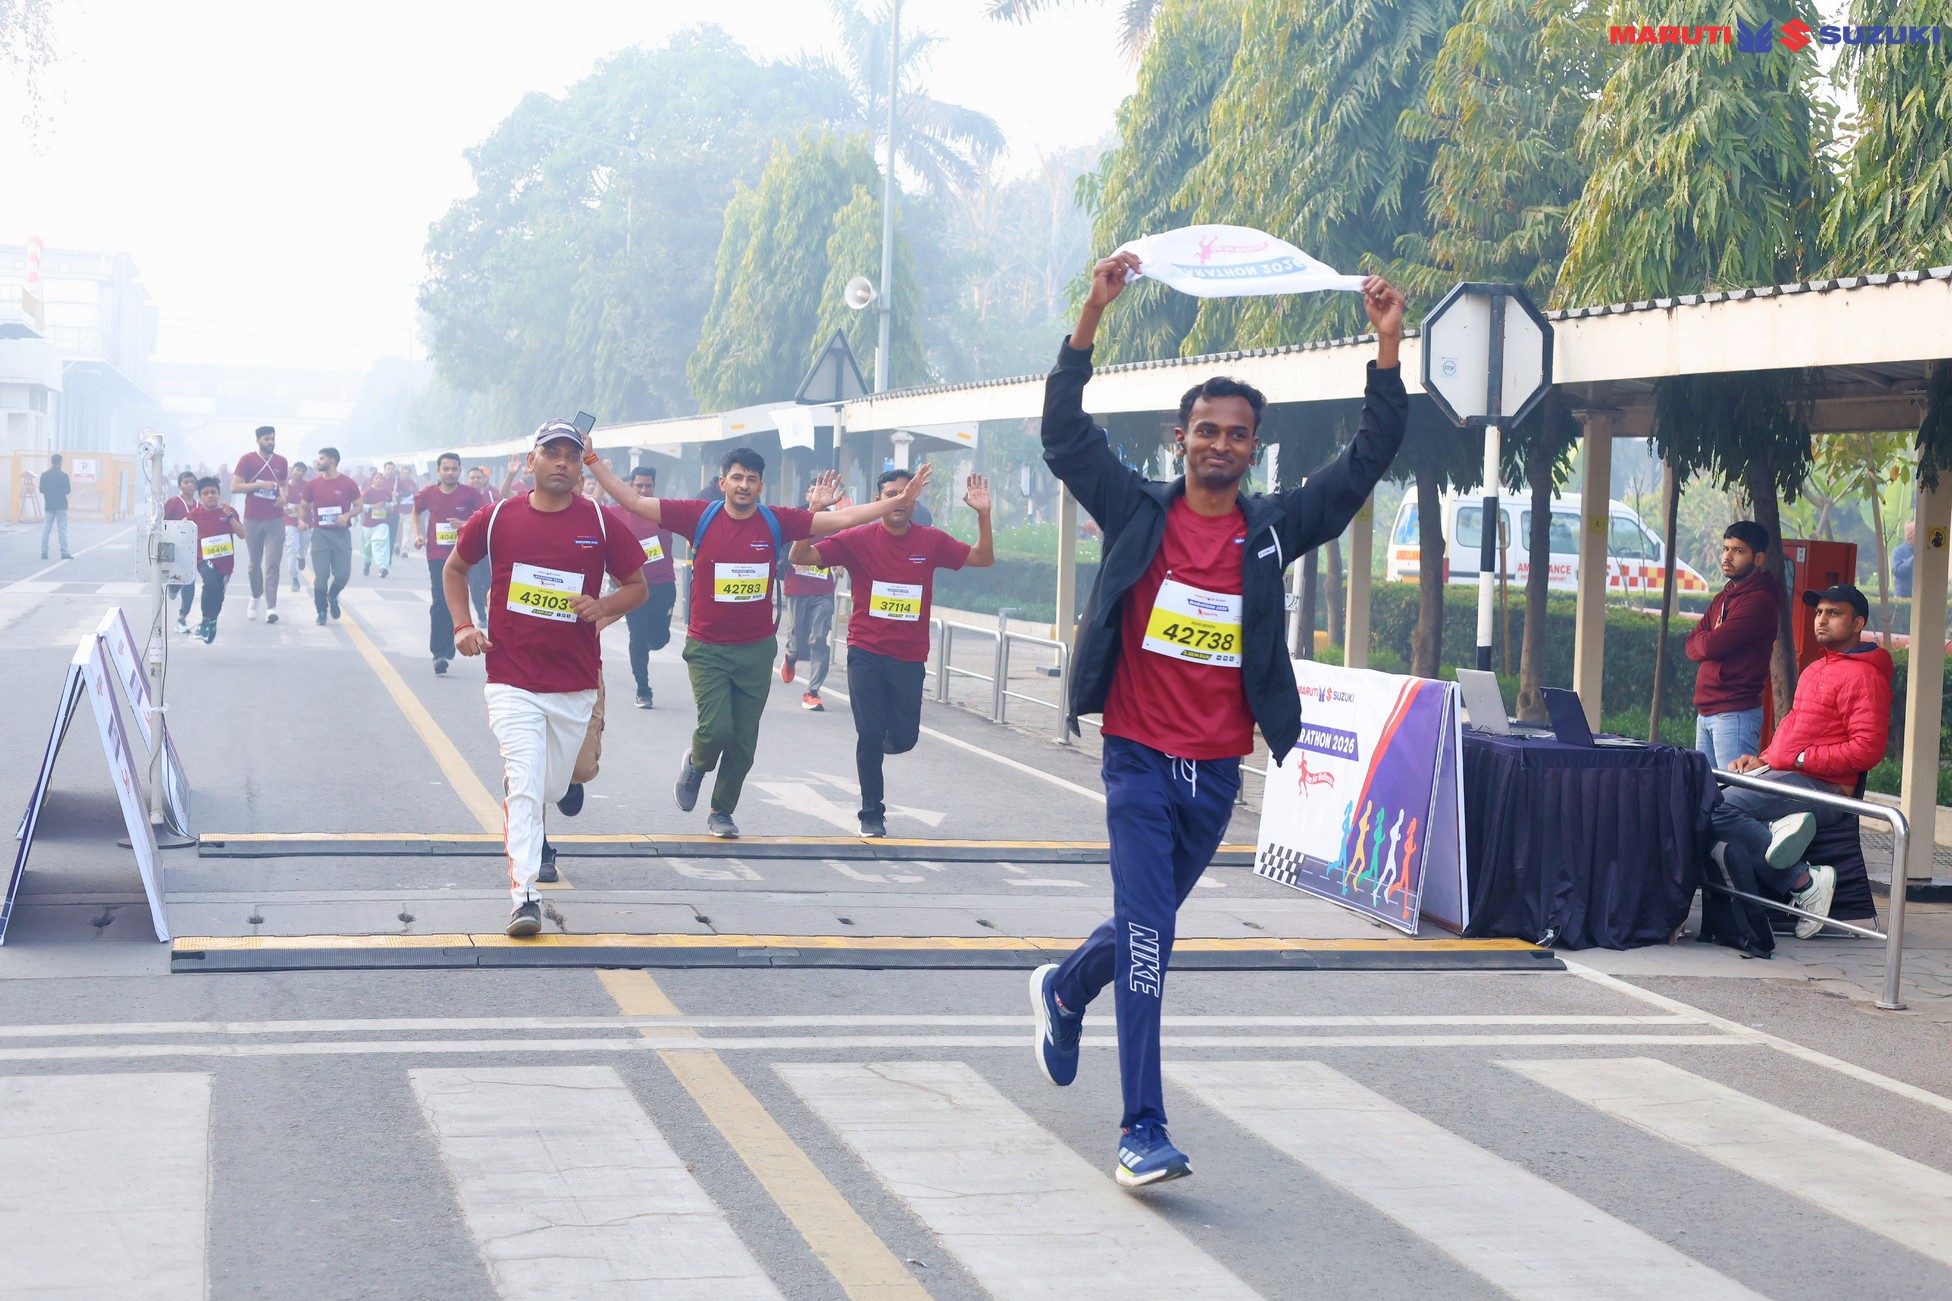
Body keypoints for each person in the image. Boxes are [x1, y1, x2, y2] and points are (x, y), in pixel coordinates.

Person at [1029, 251, 1409, 1190]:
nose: (1221, 444)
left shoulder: (1271, 529)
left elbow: (1364, 465)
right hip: (1136, 758)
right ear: (1180, 439)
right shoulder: (1135, 509)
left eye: (1238, 435)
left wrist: (1388, 347)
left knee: (1145, 926)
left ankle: (1065, 988)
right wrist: (1091, 317)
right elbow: (1063, 435)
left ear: (1254, 449)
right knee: (1151, 940)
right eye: (1207, 430)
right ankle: (1141, 1128)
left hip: (1214, 773)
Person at [586, 446, 933, 838]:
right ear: (723, 482)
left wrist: (899, 501)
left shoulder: (775, 521)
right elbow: (632, 500)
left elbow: (844, 517)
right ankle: (697, 764)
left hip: (756, 649)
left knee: (743, 741)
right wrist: (593, 462)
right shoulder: (698, 516)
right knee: (716, 729)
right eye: (737, 477)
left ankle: (721, 811)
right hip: (708, 647)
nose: (744, 485)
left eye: (751, 479)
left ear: (760, 486)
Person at [444, 420, 648, 937]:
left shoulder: (598, 521)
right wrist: (464, 625)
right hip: (510, 678)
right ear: (531, 461)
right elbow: (454, 569)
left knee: (557, 782)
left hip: (575, 683)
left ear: (581, 467)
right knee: (525, 785)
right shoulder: (496, 518)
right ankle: (525, 898)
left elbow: (637, 586)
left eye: (571, 456)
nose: (562, 462)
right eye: (552, 453)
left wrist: (605, 605)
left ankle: (562, 781)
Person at [793, 469, 994, 837]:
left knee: (904, 739)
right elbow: (800, 554)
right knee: (869, 735)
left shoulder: (931, 540)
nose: (899, 499)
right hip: (866, 651)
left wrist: (983, 514)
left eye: (906, 493)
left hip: (909, 657)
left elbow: (983, 558)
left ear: (914, 499)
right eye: (891, 494)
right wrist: (814, 511)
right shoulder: (857, 538)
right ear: (879, 500)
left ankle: (880, 744)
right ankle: (871, 814)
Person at [1710, 583, 1893, 940]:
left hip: (1825, 789)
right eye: (1819, 612)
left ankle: (1804, 883)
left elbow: (1867, 750)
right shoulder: (1815, 669)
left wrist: (1804, 758)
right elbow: (1795, 730)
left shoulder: (1866, 677)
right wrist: (1762, 758)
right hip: (1788, 775)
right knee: (1704, 799)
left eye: (1834, 613)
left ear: (1858, 624)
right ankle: (1774, 835)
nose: (1821, 619)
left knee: (1719, 809)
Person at [1685, 521, 1783, 769]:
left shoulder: (1759, 601)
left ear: (1758, 559)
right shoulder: (1724, 596)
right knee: (1706, 789)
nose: (1727, 557)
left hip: (1735, 714)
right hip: (1707, 711)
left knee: (1733, 790)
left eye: (1738, 551)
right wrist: (1708, 639)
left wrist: (1709, 638)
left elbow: (1711, 646)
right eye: (1725, 548)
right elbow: (1691, 645)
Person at [411, 452, 489, 676]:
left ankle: (458, 635)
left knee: (465, 595)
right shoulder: (428, 494)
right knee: (440, 601)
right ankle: (440, 652)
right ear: (438, 471)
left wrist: (463, 523)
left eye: (454, 469)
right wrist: (417, 535)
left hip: (465, 555)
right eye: (445, 469)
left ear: (459, 470)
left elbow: (484, 518)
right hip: (437, 555)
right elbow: (416, 512)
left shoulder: (470, 494)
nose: (450, 472)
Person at [609, 465, 678, 709]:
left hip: (663, 585)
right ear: (631, 486)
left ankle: (649, 644)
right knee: (637, 637)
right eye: (639, 485)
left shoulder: (664, 511)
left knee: (659, 639)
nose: (644, 489)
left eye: (648, 485)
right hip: (634, 588)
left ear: (654, 486)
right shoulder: (616, 513)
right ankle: (643, 689)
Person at [229, 425, 288, 623]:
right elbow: (235, 486)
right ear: (258, 440)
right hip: (253, 518)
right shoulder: (247, 460)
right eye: (266, 439)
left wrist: (284, 498)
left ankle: (271, 607)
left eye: (272, 439)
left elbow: (283, 484)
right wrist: (260, 485)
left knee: (273, 564)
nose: (270, 442)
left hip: (275, 520)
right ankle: (255, 596)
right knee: (254, 564)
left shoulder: (281, 461)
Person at [780, 521, 838, 712]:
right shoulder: (796, 519)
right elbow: (779, 548)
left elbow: (844, 546)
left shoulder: (833, 522)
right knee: (797, 639)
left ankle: (812, 692)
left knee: (819, 638)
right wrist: (787, 559)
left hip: (823, 591)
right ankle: (791, 656)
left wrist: (840, 561)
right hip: (797, 588)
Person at [304, 447, 362, 624]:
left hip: (341, 535)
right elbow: (303, 505)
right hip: (320, 535)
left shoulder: (348, 483)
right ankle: (321, 611)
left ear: (332, 461)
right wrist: (301, 520)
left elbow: (359, 506)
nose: (318, 461)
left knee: (343, 574)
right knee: (321, 576)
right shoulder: (313, 484)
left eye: (322, 458)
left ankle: (333, 595)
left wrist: (346, 516)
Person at [186, 476, 245, 644]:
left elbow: (242, 534)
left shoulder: (228, 512)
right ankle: (205, 621)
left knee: (218, 595)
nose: (210, 496)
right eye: (205, 493)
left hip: (225, 563)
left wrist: (229, 517)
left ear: (219, 494)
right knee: (210, 582)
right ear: (200, 497)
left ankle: (212, 621)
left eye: (213, 492)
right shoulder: (195, 514)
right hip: (203, 560)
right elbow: (183, 528)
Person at [164, 470, 200, 632]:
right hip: (175, 549)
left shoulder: (199, 506)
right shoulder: (173, 502)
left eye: (192, 482)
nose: (189, 485)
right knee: (177, 581)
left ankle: (182, 618)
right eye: (186, 482)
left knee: (189, 581)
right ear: (180, 485)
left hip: (193, 551)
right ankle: (172, 588)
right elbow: (163, 524)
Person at [360, 469, 395, 578]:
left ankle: (383, 567)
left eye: (381, 478)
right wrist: (373, 506)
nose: (379, 480)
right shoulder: (367, 492)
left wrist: (386, 506)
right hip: (368, 524)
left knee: (380, 543)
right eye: (376, 478)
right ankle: (367, 563)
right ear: (372, 480)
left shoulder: (387, 493)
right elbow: (360, 506)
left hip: (382, 523)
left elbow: (391, 505)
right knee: (367, 548)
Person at [284, 462, 311, 593]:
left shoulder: (308, 486)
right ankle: (294, 578)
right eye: (298, 470)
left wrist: (302, 507)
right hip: (289, 521)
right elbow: (278, 501)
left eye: (302, 471)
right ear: (292, 470)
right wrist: (284, 508)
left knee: (304, 544)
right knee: (292, 547)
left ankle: (302, 557)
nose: (300, 473)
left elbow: (313, 503)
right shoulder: (284, 486)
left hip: (306, 522)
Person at [38, 452, 71, 560]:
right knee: (62, 529)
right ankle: (64, 552)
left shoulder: (44, 475)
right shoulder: (64, 476)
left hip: (49, 504)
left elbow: (41, 490)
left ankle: (44, 552)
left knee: (46, 528)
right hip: (61, 505)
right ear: (60, 463)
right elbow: (67, 491)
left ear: (51, 462)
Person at [1893, 520, 1916, 599]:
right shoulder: (1898, 551)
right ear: (1910, 537)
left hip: (1918, 596)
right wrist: (1913, 559)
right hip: (1902, 597)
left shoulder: (1922, 552)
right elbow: (1897, 571)